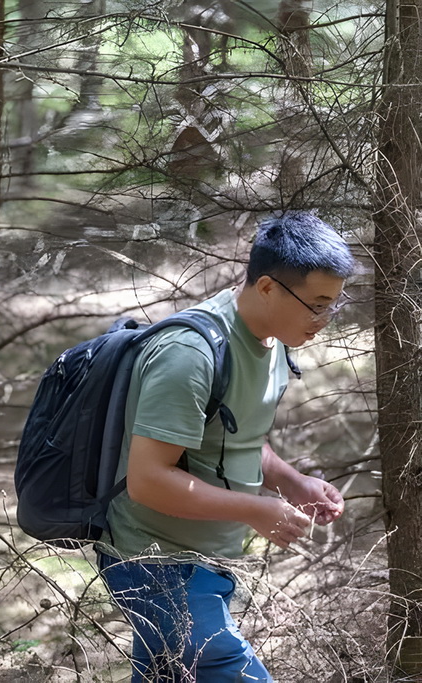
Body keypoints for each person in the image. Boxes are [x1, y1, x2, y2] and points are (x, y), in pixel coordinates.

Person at [97, 211, 356, 681]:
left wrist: (290, 481)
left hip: (205, 563)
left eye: (333, 305)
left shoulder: (272, 341)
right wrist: (254, 509)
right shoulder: (190, 354)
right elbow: (147, 481)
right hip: (157, 566)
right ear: (268, 288)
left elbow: (231, 435)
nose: (325, 319)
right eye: (317, 304)